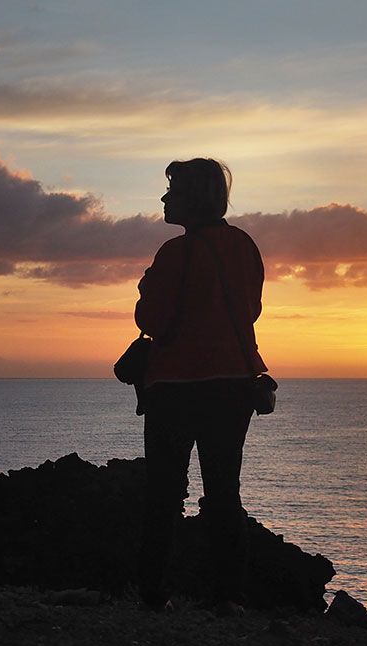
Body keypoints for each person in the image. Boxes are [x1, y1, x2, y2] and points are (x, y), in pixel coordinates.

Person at [133, 158, 267, 614]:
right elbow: (250, 311)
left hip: (176, 384)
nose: (164, 198)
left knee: (164, 493)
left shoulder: (175, 252)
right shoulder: (245, 245)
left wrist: (146, 289)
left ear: (192, 198)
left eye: (172, 190)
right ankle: (230, 597)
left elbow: (152, 320)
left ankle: (153, 593)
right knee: (224, 492)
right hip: (234, 383)